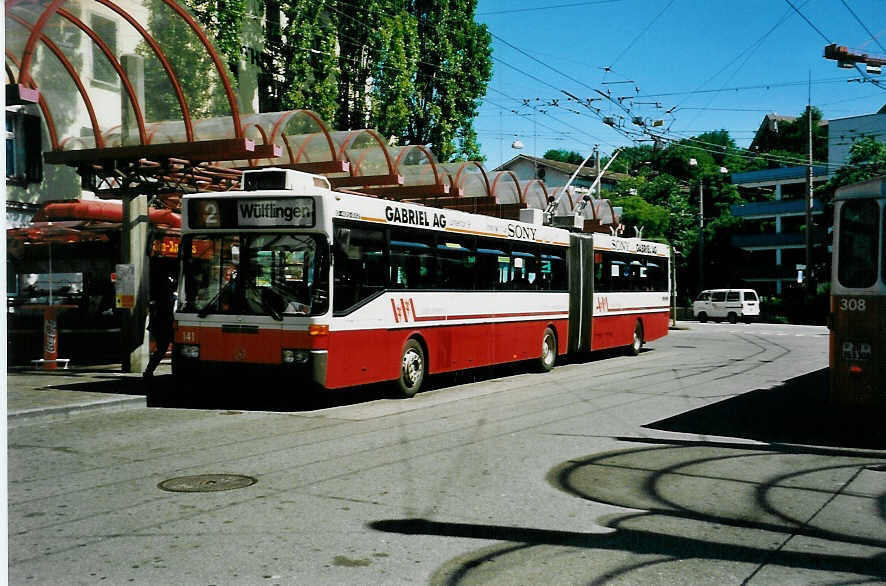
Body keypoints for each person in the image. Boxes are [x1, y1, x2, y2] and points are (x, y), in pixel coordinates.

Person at [144, 275, 176, 379]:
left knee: (161, 350)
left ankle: (149, 370)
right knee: (163, 349)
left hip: (161, 328)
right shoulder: (169, 298)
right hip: (166, 328)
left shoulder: (159, 297)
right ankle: (149, 370)